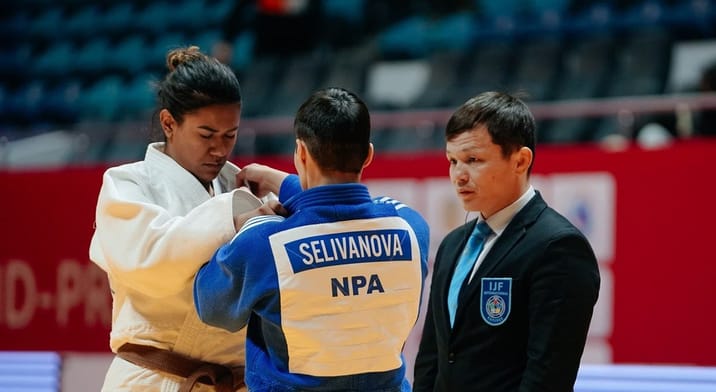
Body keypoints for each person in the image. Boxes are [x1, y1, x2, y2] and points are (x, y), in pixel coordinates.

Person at [193, 87, 430, 391]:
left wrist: (252, 224)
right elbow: (350, 204)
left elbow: (211, 307)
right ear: (368, 154)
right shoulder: (412, 228)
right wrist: (286, 183)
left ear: (301, 152)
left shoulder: (263, 243)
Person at [89, 46, 279, 391]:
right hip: (153, 381)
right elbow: (153, 263)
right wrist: (233, 219)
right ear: (168, 123)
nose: (219, 150)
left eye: (230, 135)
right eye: (206, 135)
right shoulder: (127, 185)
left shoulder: (247, 189)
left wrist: (283, 192)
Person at [413, 91, 600, 391]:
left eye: (473, 160)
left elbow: (547, 378)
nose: (458, 175)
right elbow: (431, 360)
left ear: (520, 160)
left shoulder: (558, 248)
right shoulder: (451, 245)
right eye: (452, 161)